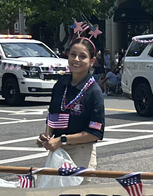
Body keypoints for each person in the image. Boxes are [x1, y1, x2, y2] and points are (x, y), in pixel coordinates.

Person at [36, 37, 105, 171]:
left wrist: (62, 139)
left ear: (92, 61)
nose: (76, 60)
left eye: (82, 56)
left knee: (76, 191)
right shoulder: (60, 85)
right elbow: (52, 116)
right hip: (57, 152)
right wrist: (47, 136)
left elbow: (95, 133)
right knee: (52, 190)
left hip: (81, 152)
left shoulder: (94, 91)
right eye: (73, 55)